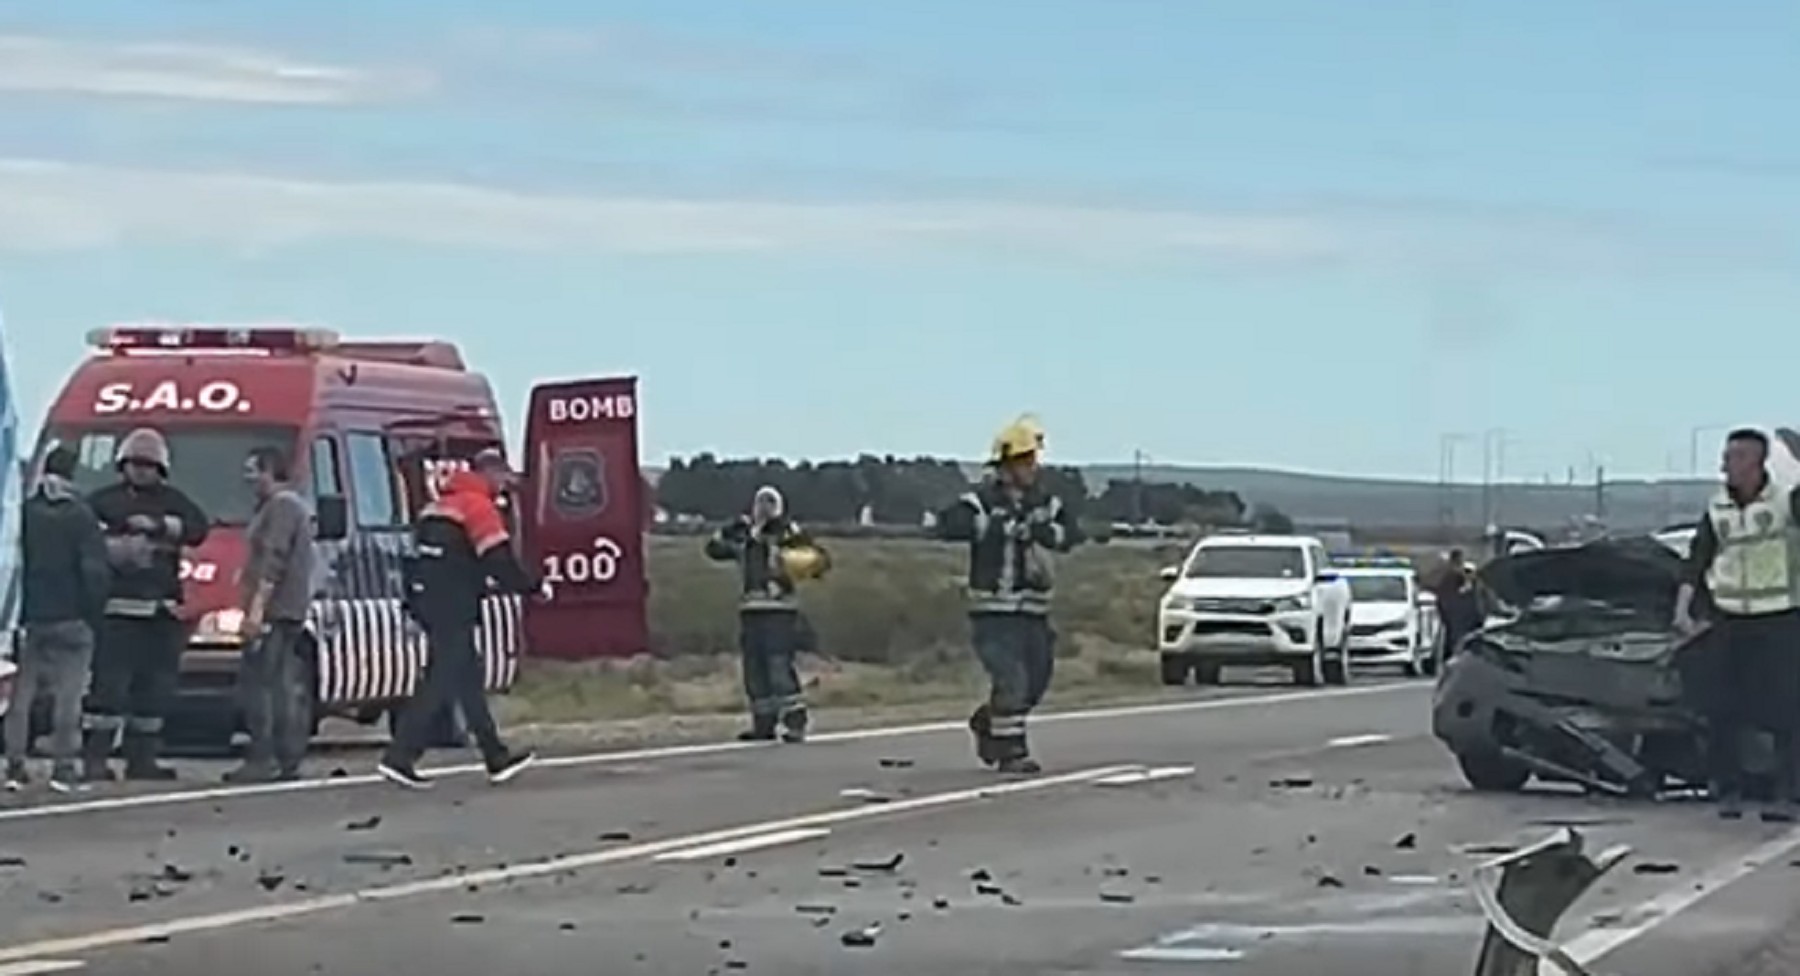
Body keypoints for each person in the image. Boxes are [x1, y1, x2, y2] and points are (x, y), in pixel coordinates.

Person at [378, 449, 540, 789]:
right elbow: (498, 559)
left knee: (468, 679)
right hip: (454, 603)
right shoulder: (478, 507)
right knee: (442, 677)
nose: (506, 485)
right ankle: (400, 755)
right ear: (490, 474)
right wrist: (532, 587)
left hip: (427, 600)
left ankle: (495, 756)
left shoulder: (436, 506)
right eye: (504, 477)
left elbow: (416, 558)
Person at [935, 416, 1083, 774]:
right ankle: (1011, 751)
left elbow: (1073, 534)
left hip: (1034, 611)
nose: (1032, 468)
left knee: (1036, 680)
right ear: (1006, 464)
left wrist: (1045, 531)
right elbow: (949, 525)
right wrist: (999, 527)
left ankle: (990, 722)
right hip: (993, 613)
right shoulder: (980, 501)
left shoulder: (1045, 502)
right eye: (1026, 461)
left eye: (1033, 460)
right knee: (1011, 679)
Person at [1674, 427, 1800, 822]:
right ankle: (1727, 789)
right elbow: (1697, 561)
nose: (1724, 465)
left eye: (1734, 457)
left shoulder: (1786, 503)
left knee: (1785, 710)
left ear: (1756, 462)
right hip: (1728, 617)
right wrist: (1683, 611)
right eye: (1726, 457)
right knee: (1721, 707)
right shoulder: (1717, 510)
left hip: (1780, 616)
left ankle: (1787, 793)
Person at [83, 428, 209, 782]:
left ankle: (143, 760)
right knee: (108, 689)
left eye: (148, 465)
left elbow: (199, 528)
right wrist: (119, 540)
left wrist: (158, 526)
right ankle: (96, 759)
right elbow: (86, 536)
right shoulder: (102, 501)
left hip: (161, 612)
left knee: (154, 690)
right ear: (122, 465)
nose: (140, 471)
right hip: (117, 611)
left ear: (161, 469)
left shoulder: (173, 501)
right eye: (135, 464)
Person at [5, 446, 110, 792]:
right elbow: (93, 569)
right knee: (70, 694)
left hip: (30, 615)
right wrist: (94, 611)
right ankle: (64, 767)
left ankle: (14, 765)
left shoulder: (25, 510)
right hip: (72, 615)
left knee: (22, 695)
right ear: (72, 473)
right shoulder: (80, 514)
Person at [223, 446, 317, 784]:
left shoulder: (281, 508)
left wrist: (256, 610)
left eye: (253, 471)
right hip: (285, 609)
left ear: (269, 471)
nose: (247, 478)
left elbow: (272, 560)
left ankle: (266, 757)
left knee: (262, 684)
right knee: (278, 682)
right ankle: (285, 758)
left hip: (274, 611)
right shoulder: (291, 508)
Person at [704, 485, 824, 743]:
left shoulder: (788, 533)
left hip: (780, 611)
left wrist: (786, 542)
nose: (764, 508)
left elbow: (815, 560)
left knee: (778, 666)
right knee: (754, 669)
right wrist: (727, 529)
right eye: (760, 503)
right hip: (751, 611)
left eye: (770, 503)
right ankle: (763, 722)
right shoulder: (746, 537)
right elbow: (713, 550)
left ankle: (795, 722)